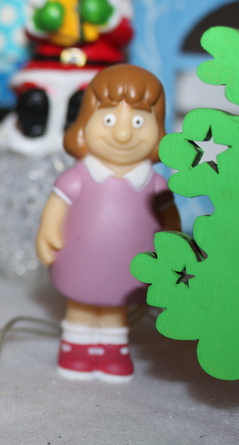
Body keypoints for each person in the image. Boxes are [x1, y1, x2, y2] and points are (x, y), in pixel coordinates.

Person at [36, 64, 180, 382]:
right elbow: (55, 210)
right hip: (80, 258)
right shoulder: (79, 177)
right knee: (81, 303)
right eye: (110, 120)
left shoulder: (154, 184)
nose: (123, 134)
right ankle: (76, 347)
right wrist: (47, 233)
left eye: (139, 121)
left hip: (129, 263)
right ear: (85, 122)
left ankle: (113, 349)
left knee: (117, 305)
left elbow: (170, 219)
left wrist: (171, 248)